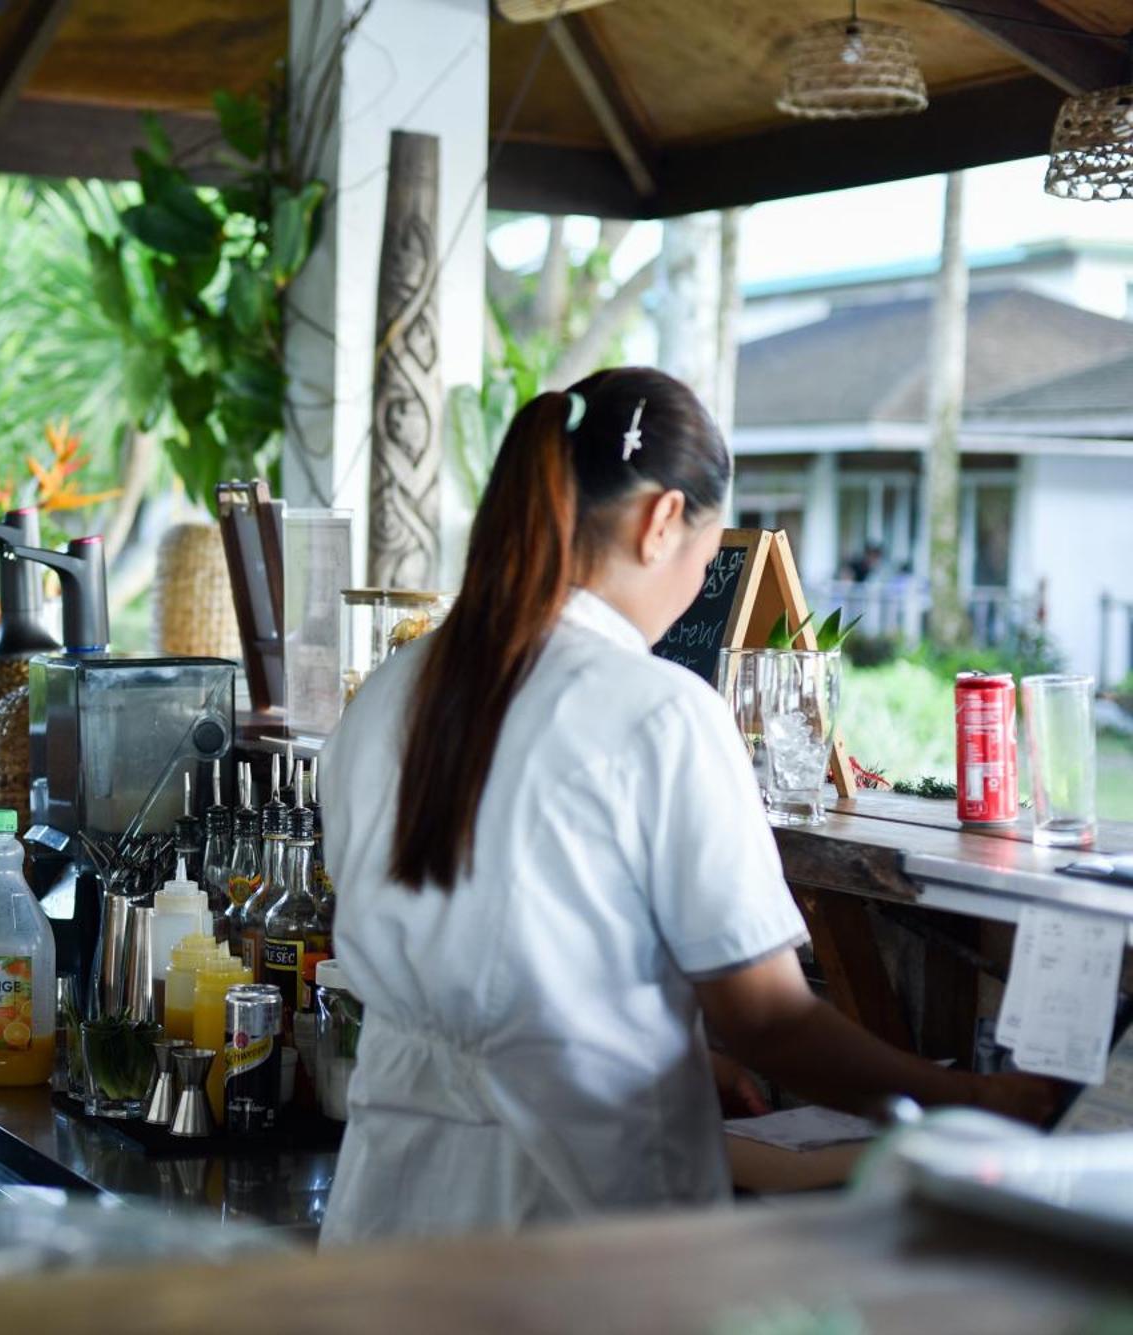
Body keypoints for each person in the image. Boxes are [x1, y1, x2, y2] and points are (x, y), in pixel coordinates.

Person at [317, 367, 1051, 1245]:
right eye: (707, 560)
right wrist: (975, 1100)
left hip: (388, 1225)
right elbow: (769, 1018)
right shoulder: (659, 712)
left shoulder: (389, 692)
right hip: (576, 1245)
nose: (693, 589)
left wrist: (655, 1046)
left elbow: (479, 966)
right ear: (663, 519)